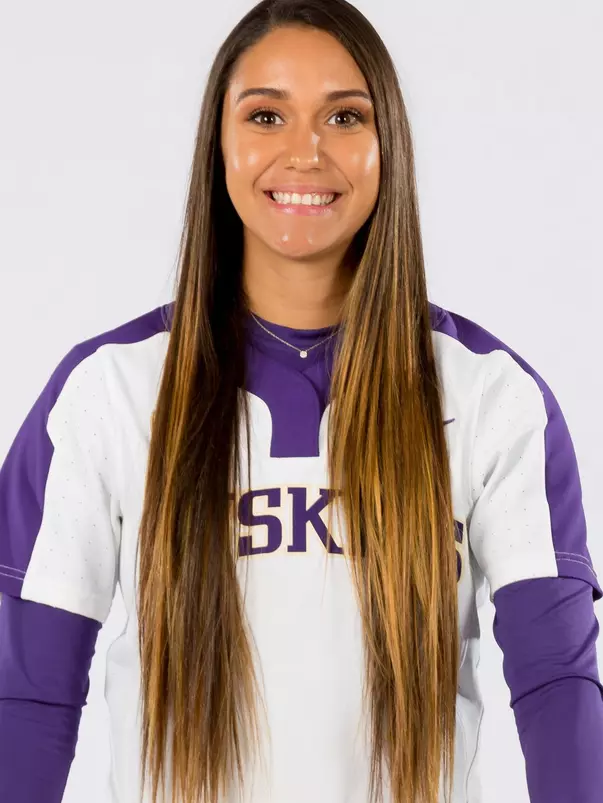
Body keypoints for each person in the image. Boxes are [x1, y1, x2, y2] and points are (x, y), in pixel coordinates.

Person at [1, 1, 602, 802]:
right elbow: (29, 696)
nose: (304, 151)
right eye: (266, 114)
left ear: (387, 145)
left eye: (344, 116)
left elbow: (556, 682)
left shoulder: (489, 396)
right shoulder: (107, 390)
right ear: (219, 144)